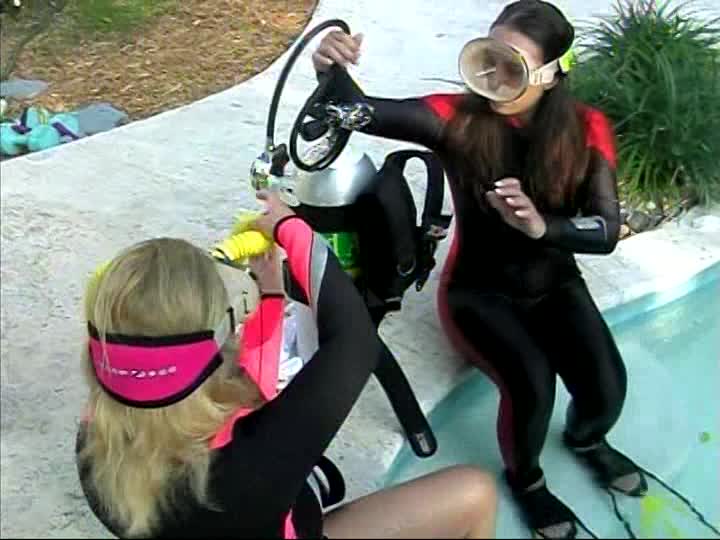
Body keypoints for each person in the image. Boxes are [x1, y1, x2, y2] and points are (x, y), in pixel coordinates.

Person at [311, 1, 647, 538]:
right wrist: (331, 68)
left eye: (511, 67)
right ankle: (527, 482)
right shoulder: (457, 118)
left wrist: (541, 226)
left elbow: (605, 230)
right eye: (487, 57)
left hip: (556, 283)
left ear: (549, 74)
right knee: (532, 384)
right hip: (477, 291)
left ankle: (587, 440)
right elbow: (355, 110)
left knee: (607, 387)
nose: (491, 76)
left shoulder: (586, 127)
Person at [75, 191, 497, 539]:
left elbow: (237, 391)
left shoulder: (94, 444)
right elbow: (354, 341)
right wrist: (290, 228)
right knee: (474, 493)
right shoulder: (258, 459)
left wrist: (272, 295)